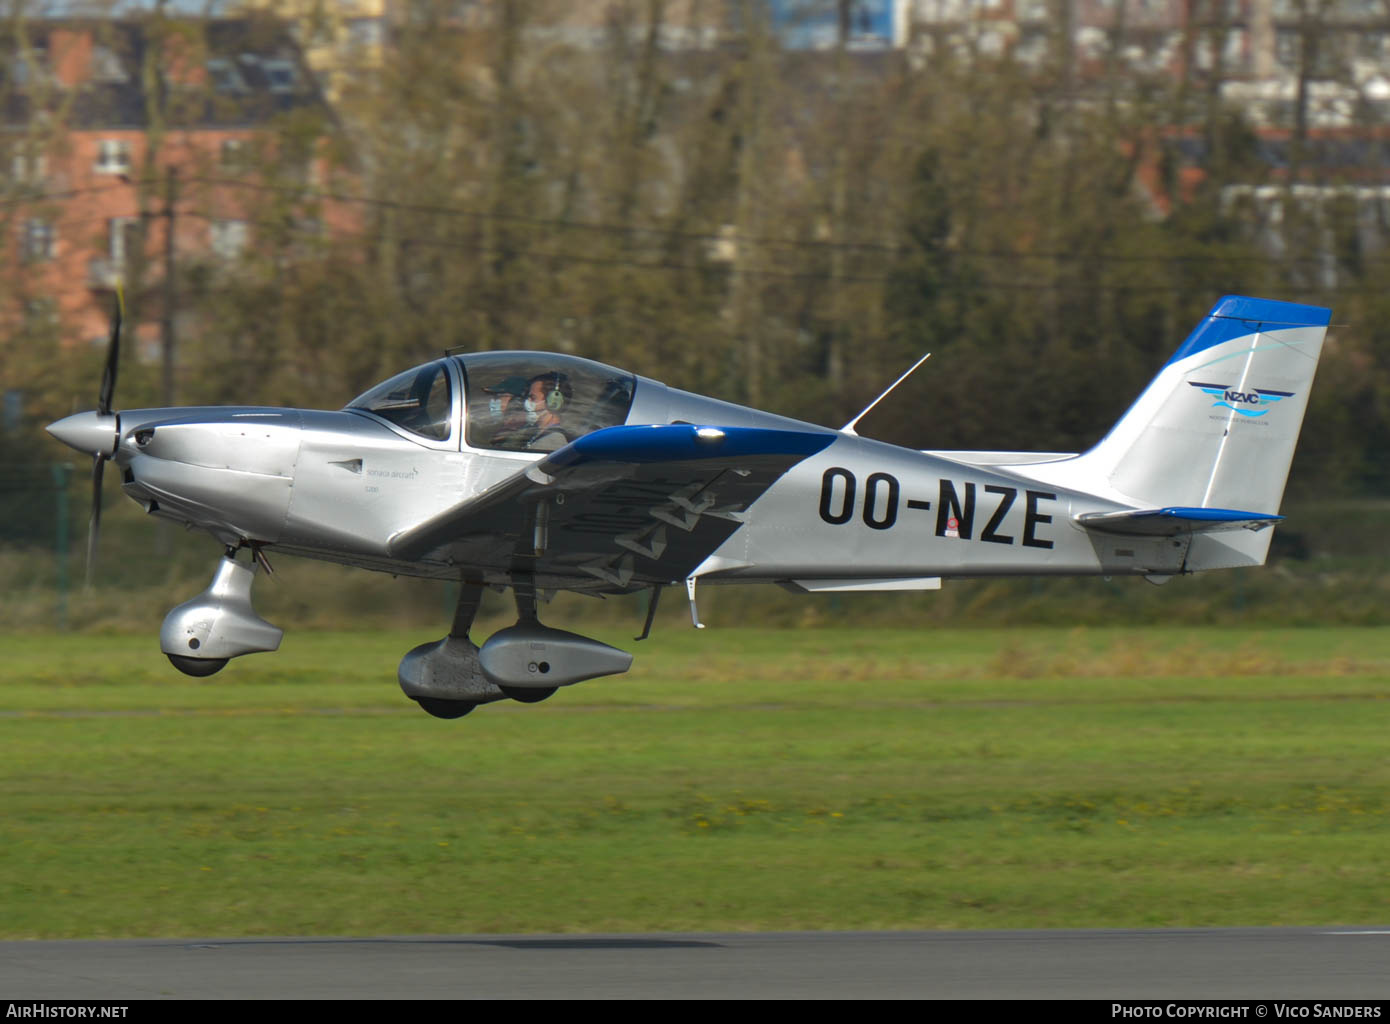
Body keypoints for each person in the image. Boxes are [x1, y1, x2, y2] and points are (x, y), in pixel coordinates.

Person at [524, 372, 575, 451]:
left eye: (533, 398)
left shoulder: (553, 440)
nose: (527, 402)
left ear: (553, 402)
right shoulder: (538, 434)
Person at [482, 375, 531, 449]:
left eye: (499, 397)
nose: (493, 402)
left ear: (517, 402)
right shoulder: (503, 430)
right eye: (494, 397)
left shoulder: (523, 434)